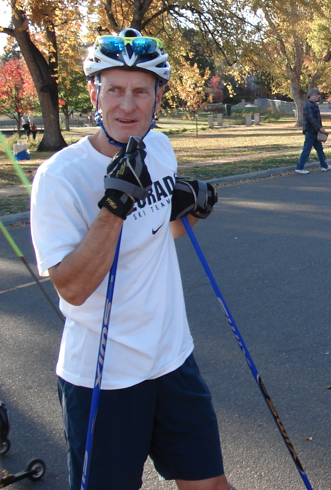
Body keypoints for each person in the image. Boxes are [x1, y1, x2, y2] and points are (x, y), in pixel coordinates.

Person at [31, 28, 229, 490]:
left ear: (159, 96)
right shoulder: (59, 178)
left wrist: (194, 209)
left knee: (211, 485)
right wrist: (113, 207)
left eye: (141, 91)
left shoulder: (159, 148)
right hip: (103, 379)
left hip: (173, 359)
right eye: (114, 90)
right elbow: (72, 287)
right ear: (93, 93)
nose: (127, 106)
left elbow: (165, 230)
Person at [295, 87, 331, 174]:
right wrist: (320, 128)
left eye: (318, 95)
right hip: (310, 131)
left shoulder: (314, 104)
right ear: (311, 95)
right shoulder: (308, 105)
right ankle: (299, 167)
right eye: (316, 95)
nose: (318, 96)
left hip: (315, 132)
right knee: (307, 149)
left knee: (320, 149)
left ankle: (324, 166)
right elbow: (312, 119)